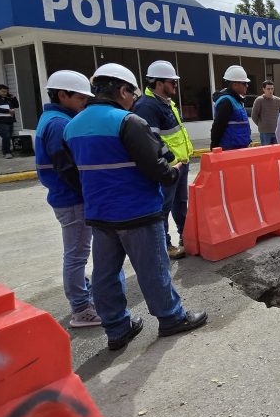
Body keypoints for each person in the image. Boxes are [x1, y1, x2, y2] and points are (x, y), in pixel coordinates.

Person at [63, 63, 207, 351]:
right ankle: (171, 317)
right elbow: (156, 167)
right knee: (153, 269)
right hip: (137, 211)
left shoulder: (72, 126)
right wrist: (174, 172)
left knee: (106, 274)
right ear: (122, 90)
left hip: (100, 214)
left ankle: (117, 329)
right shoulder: (128, 121)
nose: (133, 100)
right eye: (131, 93)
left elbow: (69, 172)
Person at [34, 70, 100, 328]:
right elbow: (67, 167)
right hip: (71, 198)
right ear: (63, 95)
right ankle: (81, 309)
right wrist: (88, 192)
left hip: (65, 196)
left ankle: (82, 294)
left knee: (76, 252)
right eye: (81, 98)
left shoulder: (51, 119)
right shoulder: (59, 124)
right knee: (77, 255)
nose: (84, 103)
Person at [132, 60, 194, 261]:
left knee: (180, 204)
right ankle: (164, 245)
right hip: (168, 167)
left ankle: (186, 236)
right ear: (159, 83)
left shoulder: (166, 103)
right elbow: (152, 139)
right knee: (163, 207)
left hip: (180, 164)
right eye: (172, 82)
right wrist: (171, 159)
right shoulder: (146, 106)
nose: (175, 86)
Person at [210, 65, 251, 150]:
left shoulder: (236, 100)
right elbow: (218, 127)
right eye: (244, 83)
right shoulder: (226, 102)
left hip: (239, 149)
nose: (247, 86)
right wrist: (214, 149)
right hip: (229, 150)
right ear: (235, 85)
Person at [250, 80, 280, 146]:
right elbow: (254, 116)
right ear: (264, 89)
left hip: (276, 131)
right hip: (264, 132)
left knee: (277, 150)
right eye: (268, 89)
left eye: (272, 89)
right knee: (266, 150)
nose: (270, 91)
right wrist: (261, 125)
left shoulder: (278, 100)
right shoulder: (259, 100)